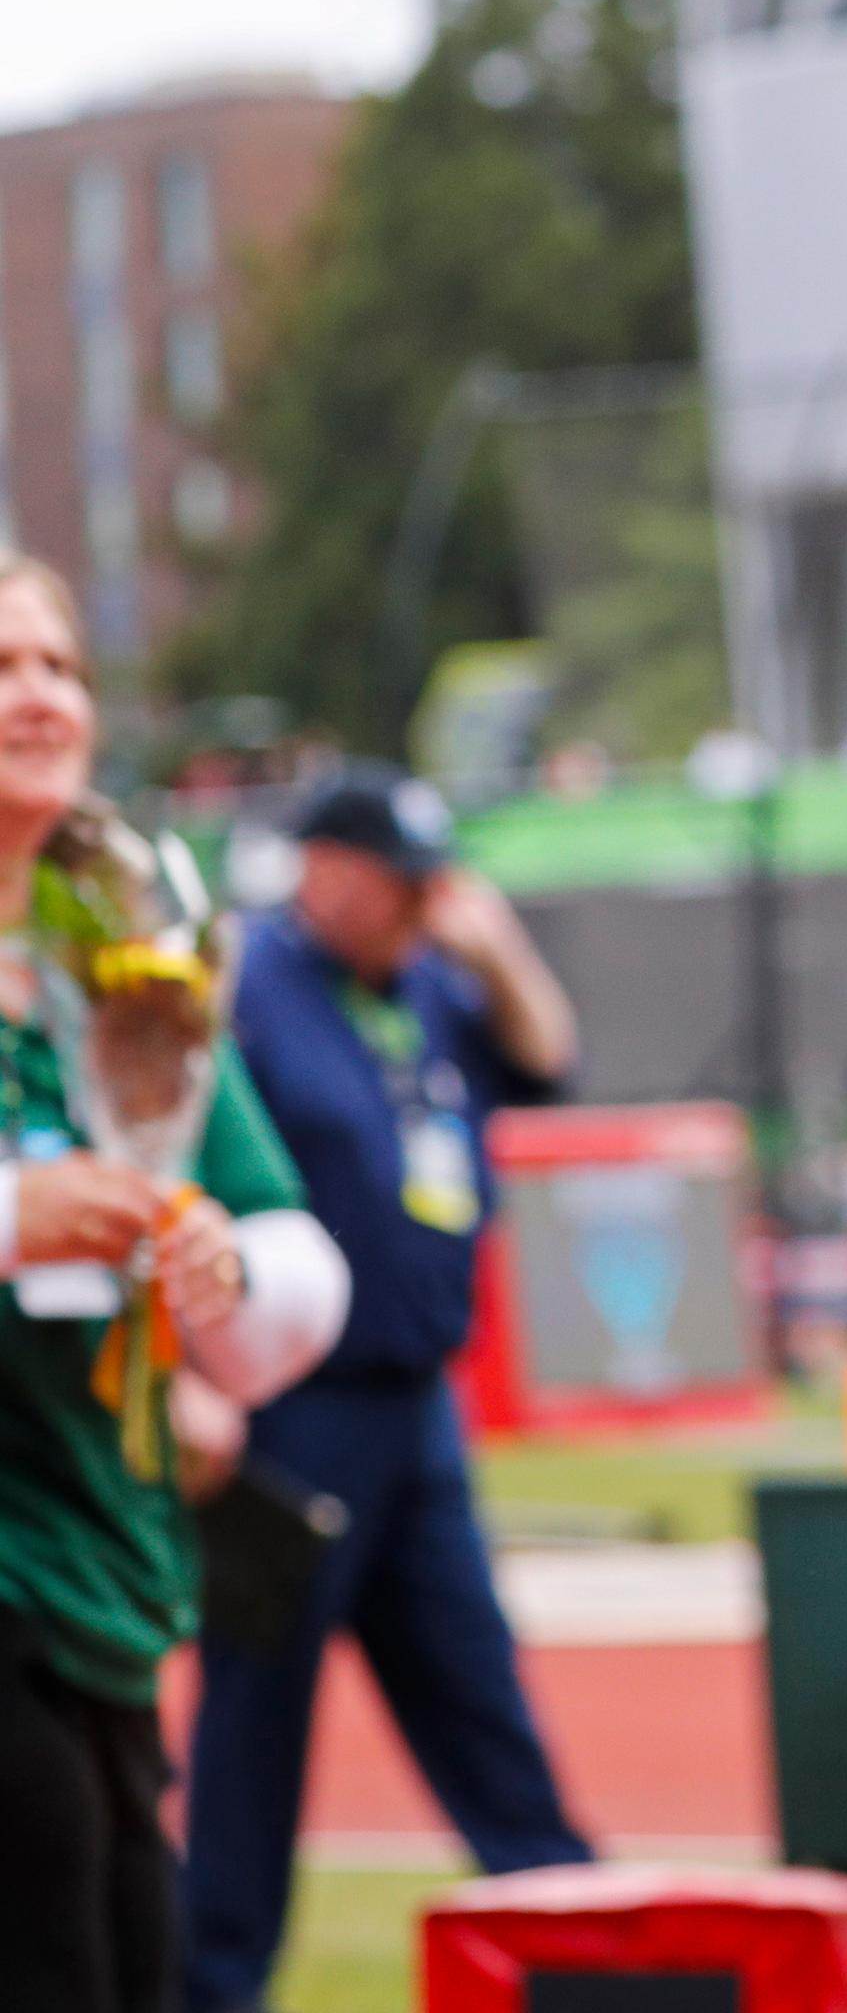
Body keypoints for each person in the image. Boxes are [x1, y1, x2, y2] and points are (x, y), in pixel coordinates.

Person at [182, 770, 594, 2013]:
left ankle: (591, 1960)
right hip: (293, 1412)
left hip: (419, 1412)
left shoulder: (422, 987)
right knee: (254, 1734)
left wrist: (496, 946)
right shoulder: (248, 982)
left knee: (483, 1700)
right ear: (326, 869)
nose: (429, 902)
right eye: (405, 880)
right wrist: (203, 1377)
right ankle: (213, 1988)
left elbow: (550, 1062)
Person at [0, 557, 348, 2013]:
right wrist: (20, 1217)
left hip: (113, 1549)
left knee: (143, 1956)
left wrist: (219, 1267)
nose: (37, 696)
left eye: (61, 666)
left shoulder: (129, 949)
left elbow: (288, 1248)